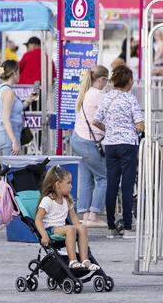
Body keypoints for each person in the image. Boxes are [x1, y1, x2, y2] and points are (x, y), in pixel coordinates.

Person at [93, 65, 144, 239]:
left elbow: (96, 121)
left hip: (111, 145)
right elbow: (139, 125)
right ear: (129, 81)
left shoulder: (106, 98)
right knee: (127, 185)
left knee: (112, 185)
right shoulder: (131, 99)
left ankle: (111, 227)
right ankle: (128, 226)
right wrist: (134, 130)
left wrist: (110, 129)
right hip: (128, 144)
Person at [35, 166, 100, 271]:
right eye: (68, 183)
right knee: (71, 228)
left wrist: (81, 230)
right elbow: (38, 219)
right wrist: (44, 235)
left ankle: (85, 260)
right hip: (50, 230)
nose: (71, 186)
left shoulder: (67, 200)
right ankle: (73, 261)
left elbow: (75, 220)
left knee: (81, 227)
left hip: (62, 228)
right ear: (58, 185)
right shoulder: (48, 200)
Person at [71, 65, 109, 228]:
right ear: (101, 79)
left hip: (77, 139)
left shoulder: (85, 92)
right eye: (106, 80)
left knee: (86, 178)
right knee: (104, 177)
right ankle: (93, 215)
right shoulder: (99, 95)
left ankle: (85, 214)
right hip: (88, 142)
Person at [0, 60, 39, 157]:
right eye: (19, 72)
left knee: (7, 168)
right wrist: (14, 140)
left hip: (4, 134)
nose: (19, 75)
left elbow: (14, 110)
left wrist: (29, 100)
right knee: (12, 169)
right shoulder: (9, 92)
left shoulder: (1, 89)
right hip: (9, 135)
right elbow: (6, 118)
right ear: (14, 73)